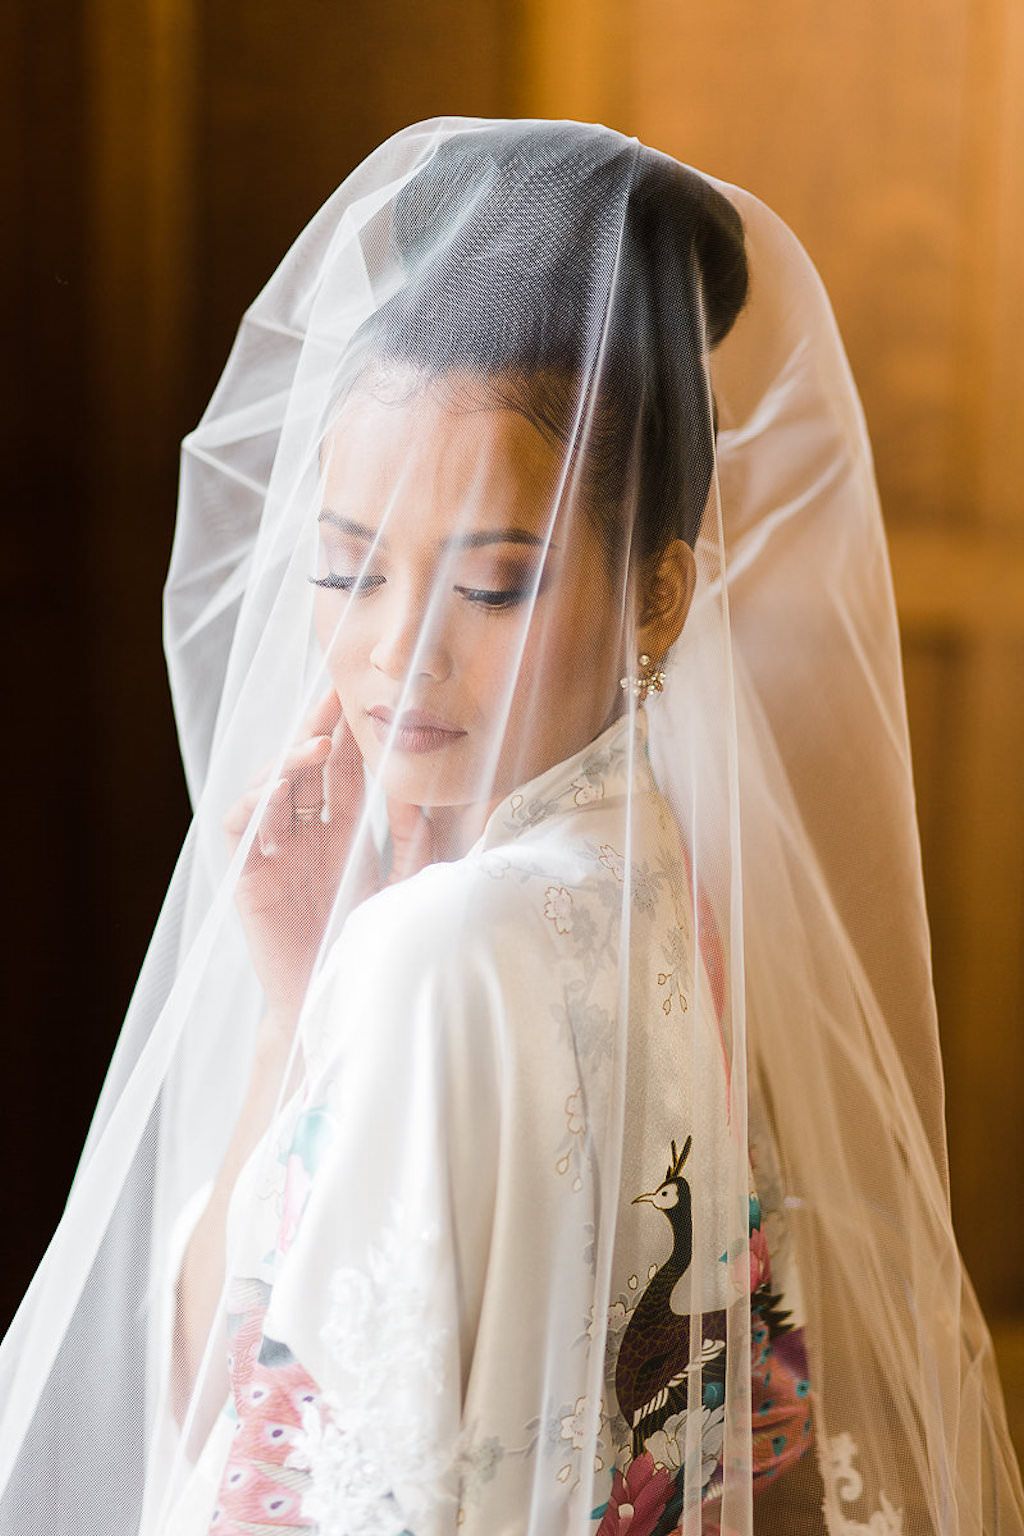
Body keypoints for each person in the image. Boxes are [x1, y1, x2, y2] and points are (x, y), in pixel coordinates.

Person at [0, 118, 1019, 1536]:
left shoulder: (441, 949)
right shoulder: (660, 890)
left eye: (487, 588)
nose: (397, 660)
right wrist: (308, 995)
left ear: (659, 595)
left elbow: (241, 1431)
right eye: (348, 572)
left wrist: (335, 995)